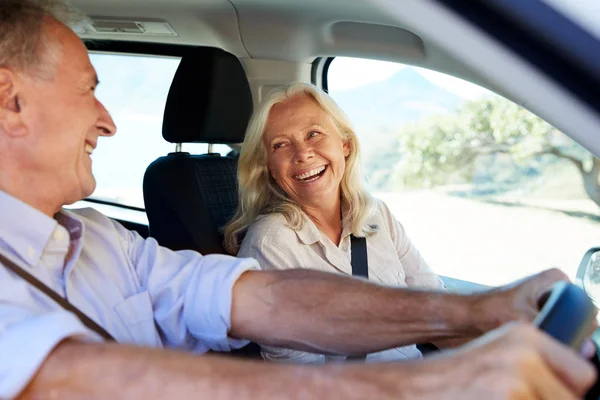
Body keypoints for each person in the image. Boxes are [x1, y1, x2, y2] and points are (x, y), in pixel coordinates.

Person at [0, 1, 595, 399]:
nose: (107, 122)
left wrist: (476, 313)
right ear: (10, 99)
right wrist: (436, 384)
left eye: (315, 136)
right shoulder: (273, 235)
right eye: (88, 91)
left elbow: (260, 298)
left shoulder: (101, 239)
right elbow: (62, 380)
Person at [226, 82, 462, 363]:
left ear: (345, 144)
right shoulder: (271, 242)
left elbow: (438, 314)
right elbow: (300, 377)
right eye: (281, 145)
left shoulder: (376, 215)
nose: (302, 154)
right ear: (270, 170)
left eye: (313, 134)